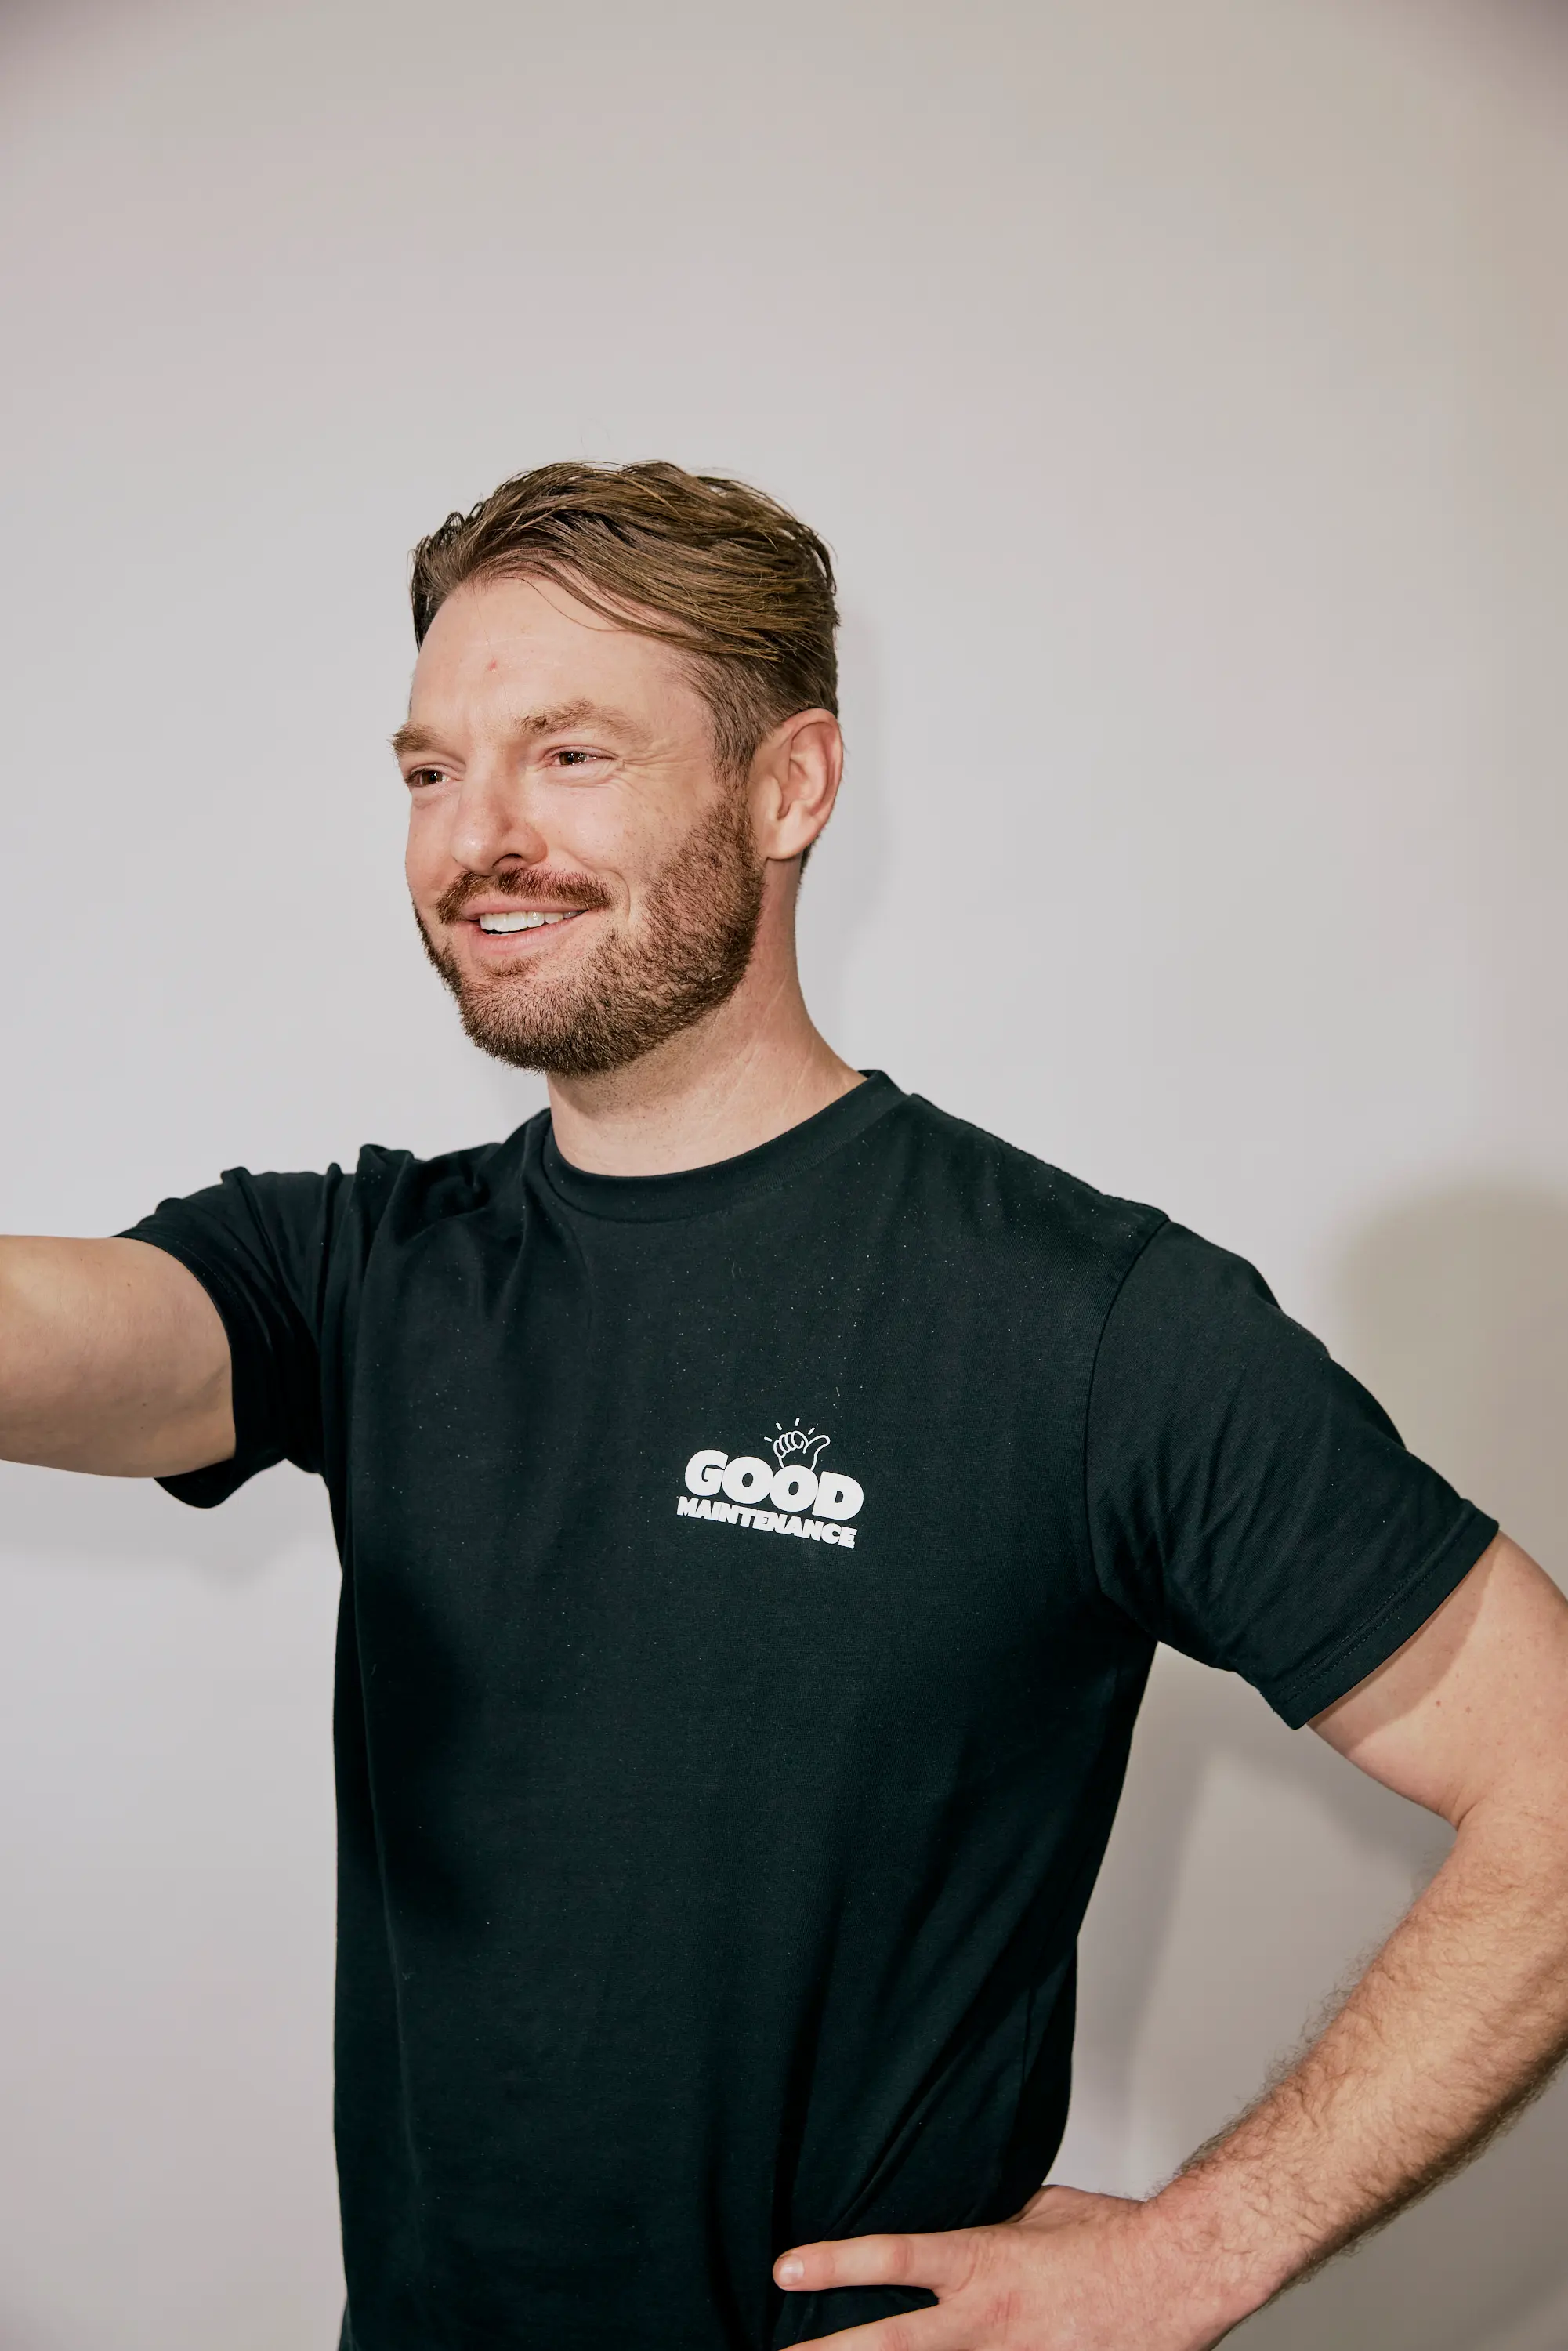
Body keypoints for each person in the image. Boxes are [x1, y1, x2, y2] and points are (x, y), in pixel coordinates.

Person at [4, 461, 1567, 2351]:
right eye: (430, 770)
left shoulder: (1084, 1323)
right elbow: (57, 1333)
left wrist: (1199, 2250)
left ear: (791, 786)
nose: (476, 836)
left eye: (567, 754)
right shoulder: (359, 1275)